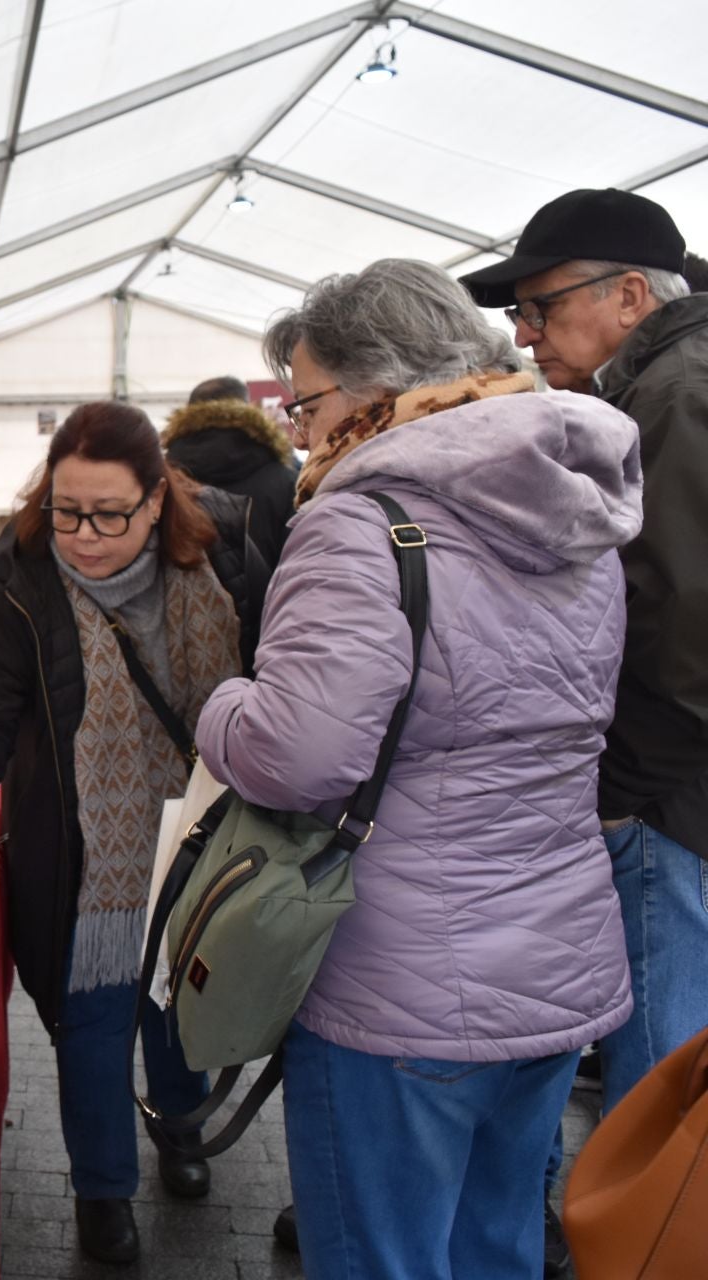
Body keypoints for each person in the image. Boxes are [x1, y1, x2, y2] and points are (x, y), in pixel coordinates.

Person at [199, 259, 640, 1279]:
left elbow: (298, 755)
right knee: (498, 1247)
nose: (302, 432)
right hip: (558, 958)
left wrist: (220, 707)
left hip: (403, 985)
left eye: (307, 403)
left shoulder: (358, 522)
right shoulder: (574, 509)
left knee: (383, 1256)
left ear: (374, 387)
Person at [0, 402, 268, 1264]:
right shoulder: (25, 572)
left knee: (183, 997)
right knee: (94, 1020)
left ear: (157, 499)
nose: (83, 535)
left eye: (109, 514)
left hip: (213, 831)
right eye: (66, 510)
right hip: (84, 853)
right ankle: (101, 1190)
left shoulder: (226, 551)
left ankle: (180, 1127)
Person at [460, 190, 708, 1116]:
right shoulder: (666, 385)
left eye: (540, 306)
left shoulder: (676, 396)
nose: (525, 335)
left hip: (671, 804)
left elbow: (686, 627)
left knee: (658, 1092)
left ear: (630, 295)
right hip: (676, 793)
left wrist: (620, 791)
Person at [163, 374, 300, 567]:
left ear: (188, 412)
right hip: (274, 585)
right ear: (247, 409)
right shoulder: (286, 480)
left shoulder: (164, 481)